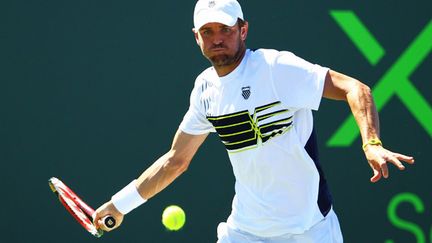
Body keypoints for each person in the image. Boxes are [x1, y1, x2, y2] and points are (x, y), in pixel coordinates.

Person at [93, 0, 415, 242]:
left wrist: (371, 142)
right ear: (196, 37)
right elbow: (176, 161)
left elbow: (354, 88)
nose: (217, 38)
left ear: (243, 30)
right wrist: (119, 205)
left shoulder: (276, 68)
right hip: (245, 231)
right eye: (208, 31)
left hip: (310, 231)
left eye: (225, 29)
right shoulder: (206, 89)